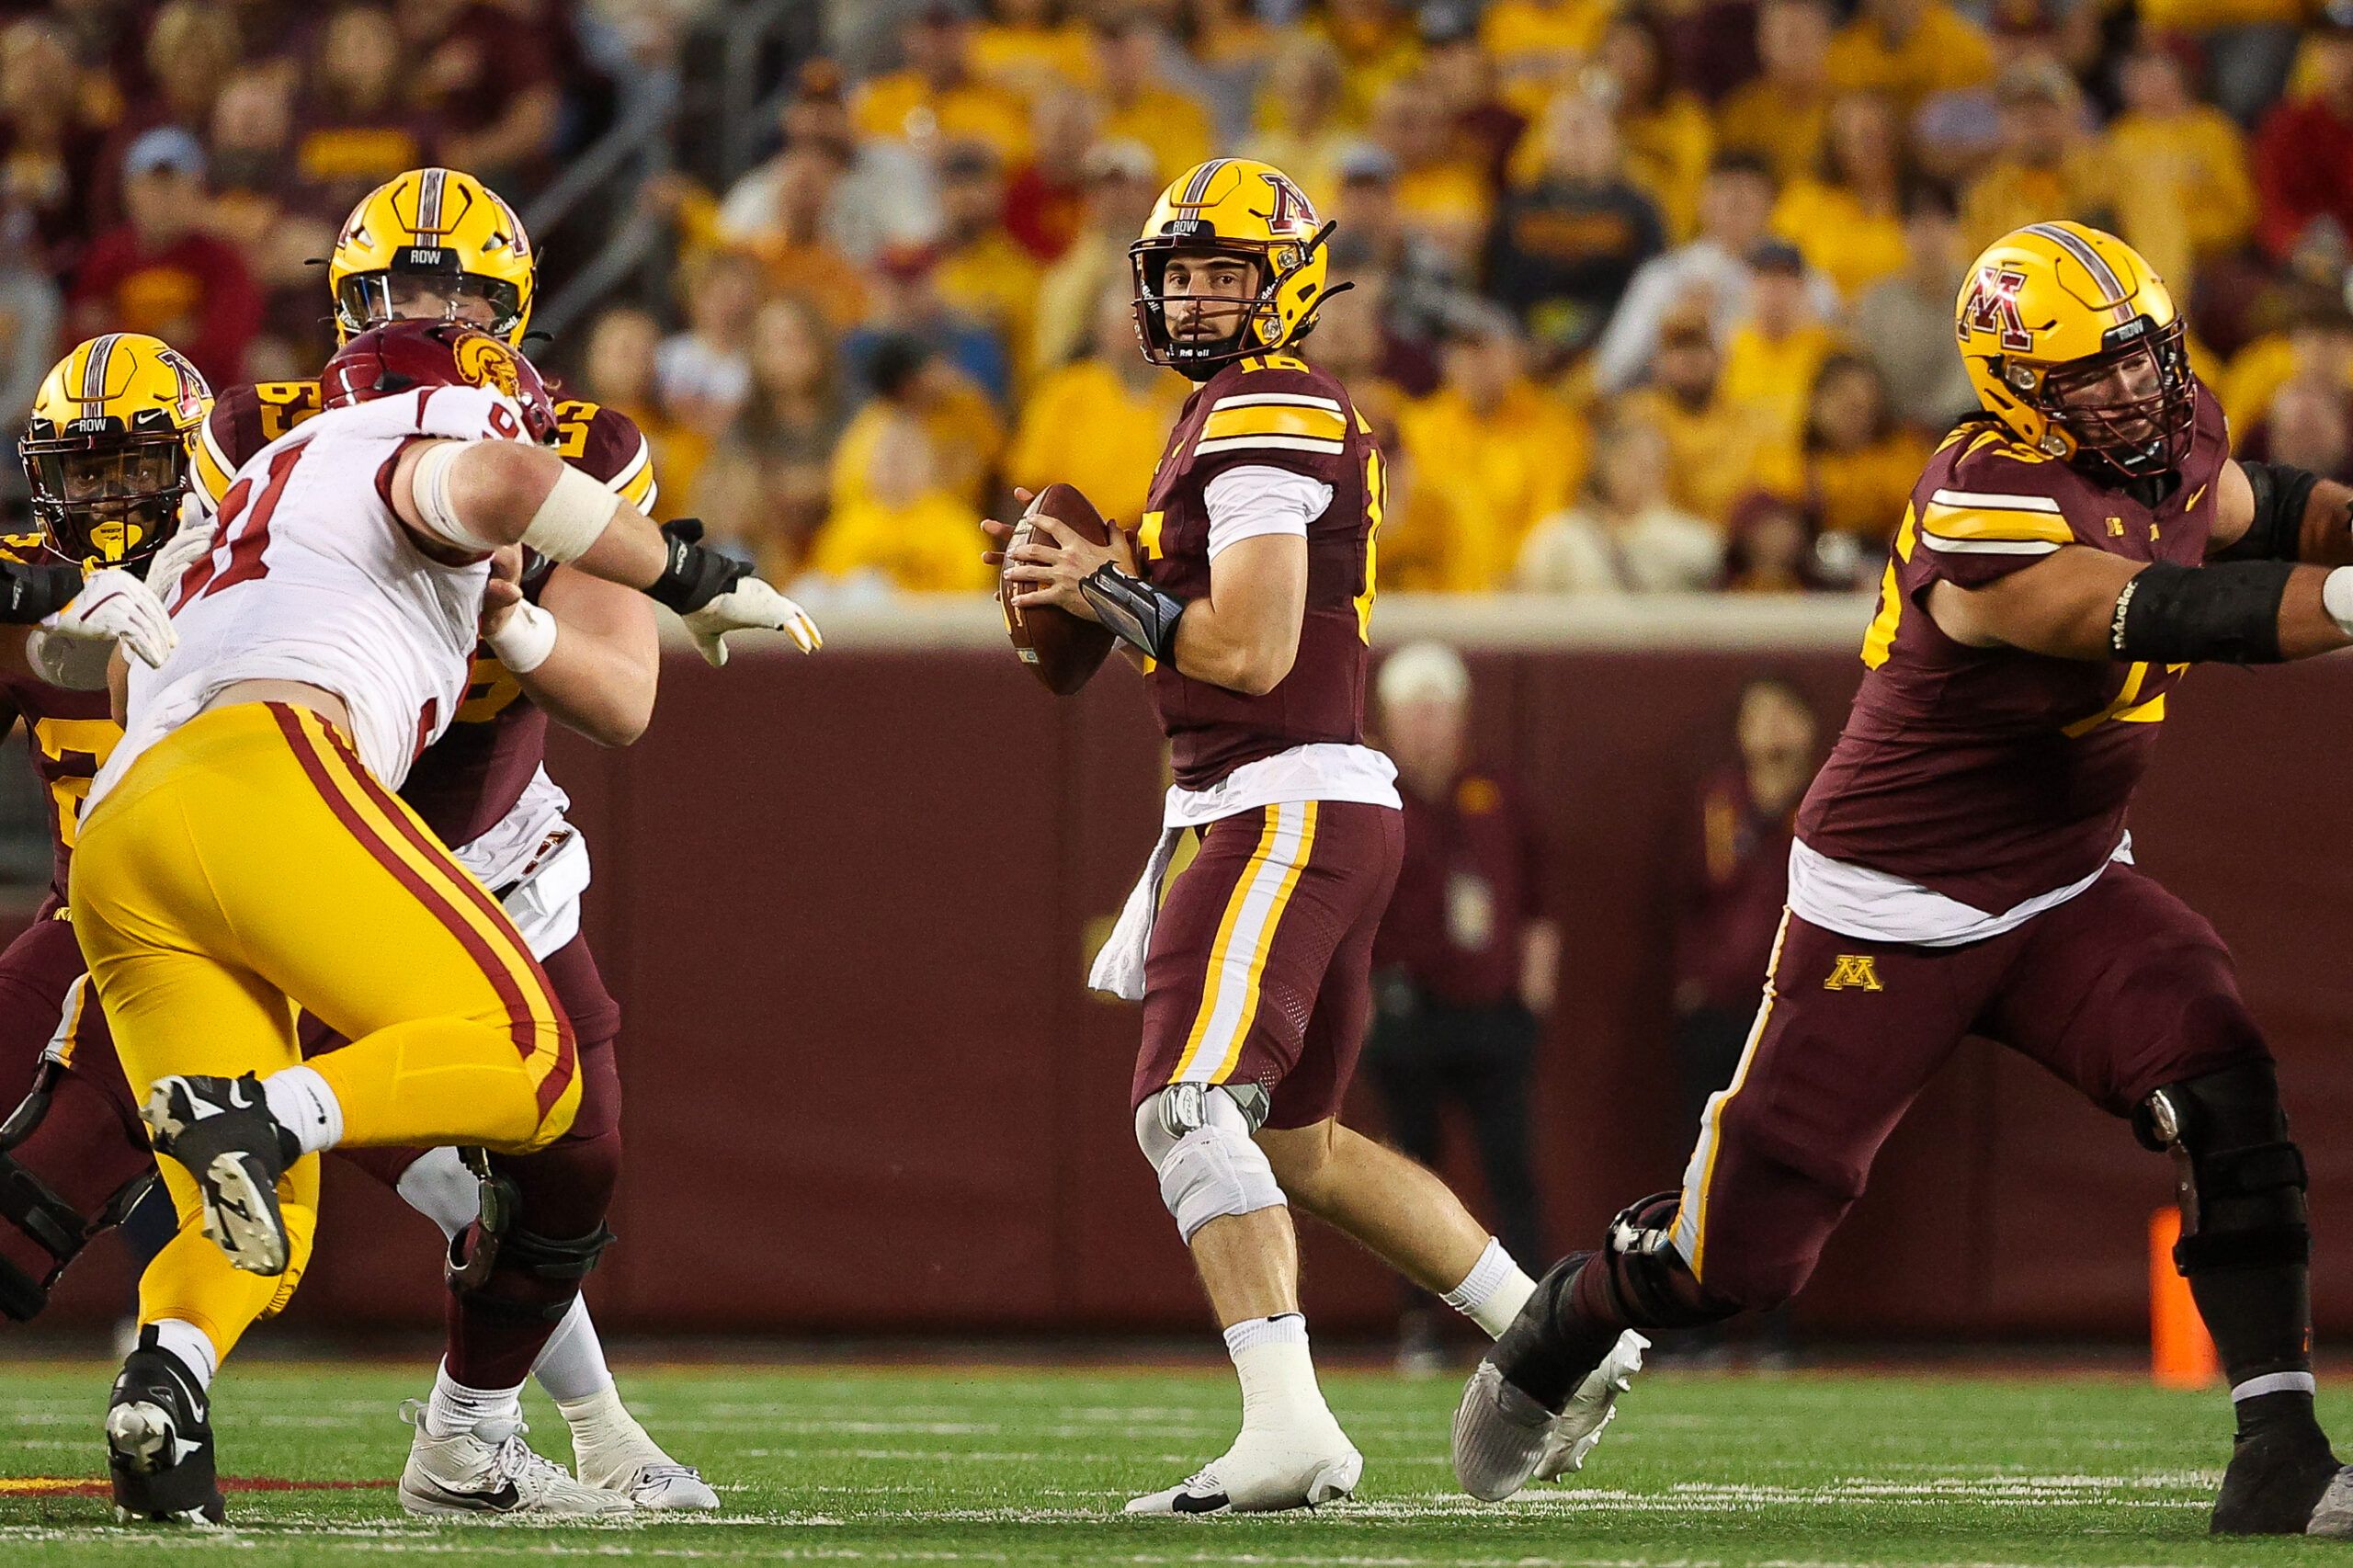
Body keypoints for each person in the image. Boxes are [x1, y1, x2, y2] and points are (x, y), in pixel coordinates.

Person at [1454, 222, 2353, 1540]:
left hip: (2063, 880)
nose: (2135, 390)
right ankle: (1579, 1306)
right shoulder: (1984, 500)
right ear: (2016, 388)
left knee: (2223, 1070)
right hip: (1898, 901)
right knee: (1738, 1262)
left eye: (2142, 356)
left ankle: (2279, 1448)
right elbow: (2167, 610)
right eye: (2093, 372)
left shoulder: (2158, 435)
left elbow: (2248, 509)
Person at [80, 319, 815, 1528]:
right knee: (533, 1058)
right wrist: (694, 573)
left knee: (259, 1226)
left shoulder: (249, 494)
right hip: (259, 768)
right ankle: (267, 1116)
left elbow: (127, 686)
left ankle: (164, 1398)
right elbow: (509, 478)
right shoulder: (426, 430)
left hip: (129, 831)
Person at [993, 156, 1607, 1516]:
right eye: (1185, 273)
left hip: (1278, 793)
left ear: (1288, 285)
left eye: (1229, 271)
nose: (1203, 296)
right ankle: (1552, 1335)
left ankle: (1290, 1427)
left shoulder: (1264, 403)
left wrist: (1105, 587)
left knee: (1186, 1103)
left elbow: (1255, 648)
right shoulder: (1234, 408)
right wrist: (1106, 590)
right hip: (1301, 797)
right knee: (1299, 1141)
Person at [1365, 642, 1556, 1371]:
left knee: (1512, 1169)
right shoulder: (1371, 794)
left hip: (1490, 1012)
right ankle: (1421, 1321)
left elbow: (1540, 904)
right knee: (1408, 1178)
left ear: (1462, 717)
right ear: (1388, 719)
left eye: (1437, 710)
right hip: (1405, 1012)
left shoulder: (1501, 794)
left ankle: (1534, 1321)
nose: (1425, 726)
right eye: (1412, 711)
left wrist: (1531, 1001)